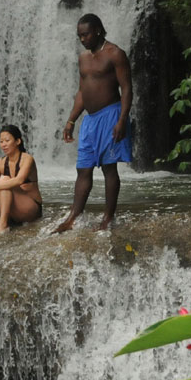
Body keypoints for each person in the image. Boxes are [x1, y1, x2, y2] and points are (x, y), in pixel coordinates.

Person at [54, 13, 133, 233]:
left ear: (97, 30)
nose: (82, 39)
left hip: (111, 115)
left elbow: (126, 88)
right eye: (79, 35)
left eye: (86, 34)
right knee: (83, 169)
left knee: (109, 168)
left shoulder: (115, 54)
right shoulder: (83, 58)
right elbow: (81, 91)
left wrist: (122, 120)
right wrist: (71, 119)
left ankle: (108, 217)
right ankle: (73, 216)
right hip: (90, 120)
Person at [0, 125, 43, 240]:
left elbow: (19, 180)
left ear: (17, 141)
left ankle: (3, 225)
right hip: (12, 213)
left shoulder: (27, 159)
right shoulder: (0, 162)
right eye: (1, 141)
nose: (3, 144)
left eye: (7, 140)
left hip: (30, 210)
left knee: (3, 180)